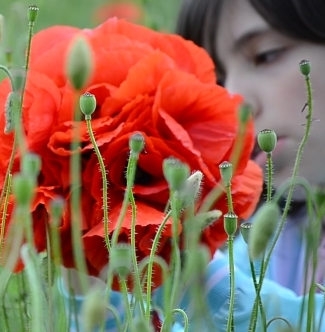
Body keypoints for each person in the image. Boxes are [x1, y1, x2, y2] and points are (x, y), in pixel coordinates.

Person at [61, 0, 325, 330]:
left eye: (266, 55)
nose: (235, 99)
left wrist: (180, 273)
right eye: (219, 77)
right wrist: (84, 267)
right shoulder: (273, 237)